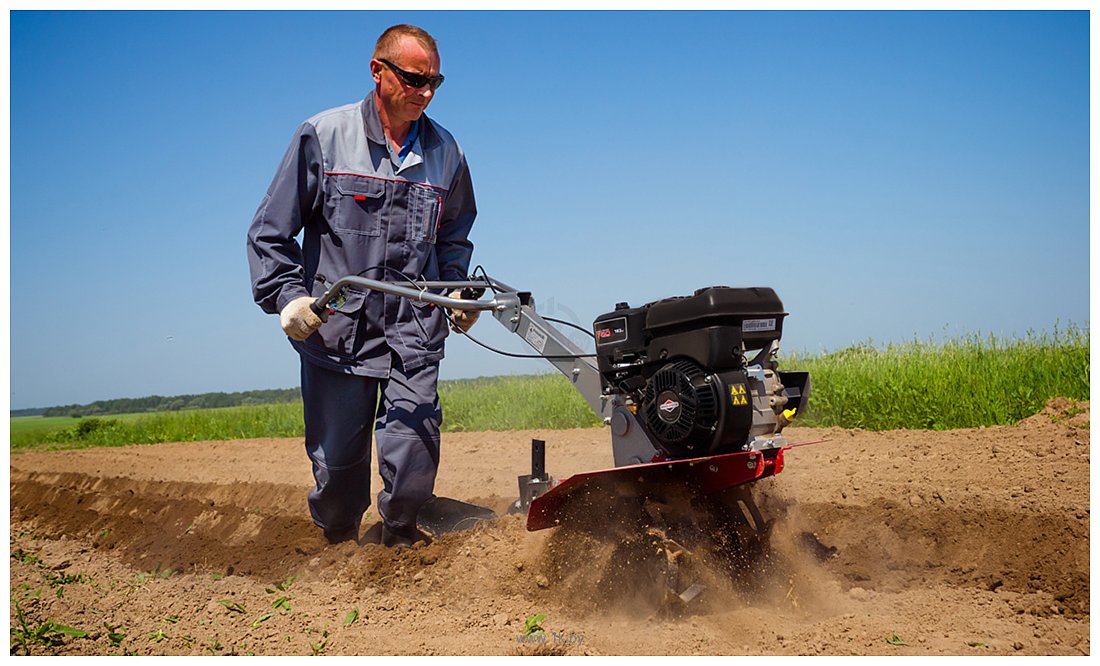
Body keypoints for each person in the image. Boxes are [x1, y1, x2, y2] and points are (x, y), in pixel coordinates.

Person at [246, 24, 478, 548]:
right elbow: (270, 230)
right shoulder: (325, 135)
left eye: (435, 82)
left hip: (414, 332)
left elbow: (454, 235)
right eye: (415, 79)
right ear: (379, 71)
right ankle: (339, 545)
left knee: (415, 447)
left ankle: (395, 545)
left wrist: (457, 290)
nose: (426, 92)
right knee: (338, 470)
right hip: (338, 331)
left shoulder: (446, 152)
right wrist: (287, 299)